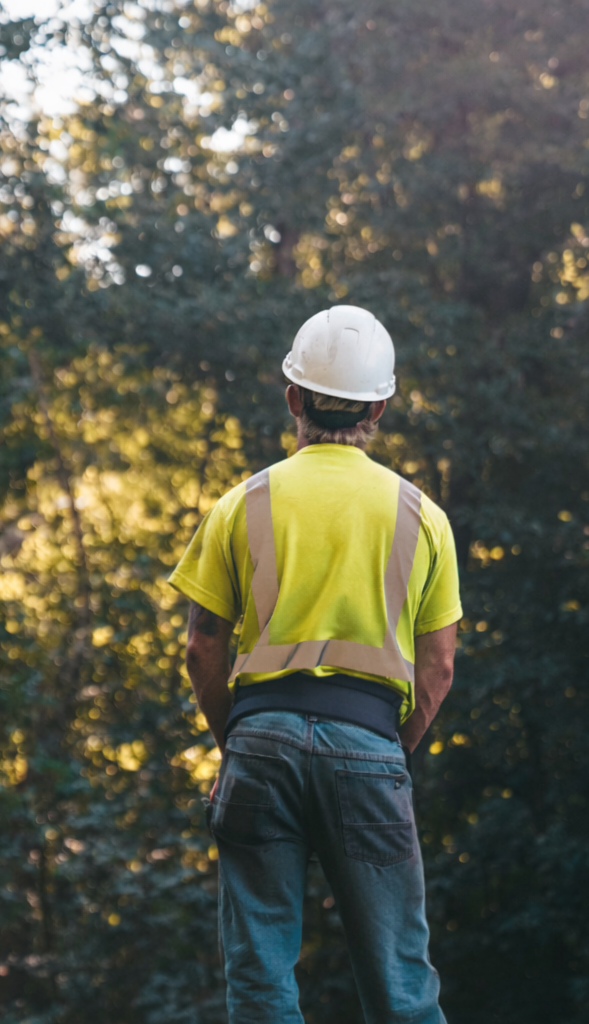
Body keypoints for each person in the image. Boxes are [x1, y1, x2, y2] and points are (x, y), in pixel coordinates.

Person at [169, 305, 462, 1024]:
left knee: (262, 979)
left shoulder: (242, 504)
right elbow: (439, 667)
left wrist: (234, 741)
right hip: (370, 744)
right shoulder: (421, 515)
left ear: (293, 397)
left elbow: (202, 646)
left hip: (259, 743)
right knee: (401, 986)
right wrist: (390, 752)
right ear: (381, 407)